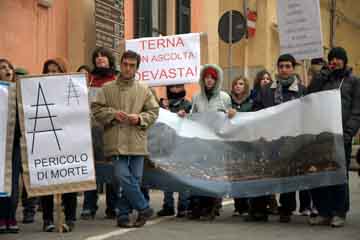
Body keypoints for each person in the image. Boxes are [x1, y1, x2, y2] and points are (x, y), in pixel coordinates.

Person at [92, 50, 159, 228]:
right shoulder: (107, 88)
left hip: (136, 139)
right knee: (122, 176)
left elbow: (154, 112)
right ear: (120, 65)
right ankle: (144, 208)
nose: (128, 68)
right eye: (125, 64)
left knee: (135, 179)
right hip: (116, 139)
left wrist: (140, 119)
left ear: (136, 68)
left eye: (132, 65)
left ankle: (123, 214)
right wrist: (113, 115)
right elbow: (96, 110)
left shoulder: (144, 89)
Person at [249, 54, 306, 223]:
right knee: (265, 173)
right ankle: (260, 208)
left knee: (289, 174)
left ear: (293, 68)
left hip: (291, 139)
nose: (284, 70)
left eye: (288, 66)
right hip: (269, 139)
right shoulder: (266, 90)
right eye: (281, 66)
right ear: (277, 68)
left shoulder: (301, 91)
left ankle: (286, 209)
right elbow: (256, 110)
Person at [308, 47, 360, 227]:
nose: (335, 61)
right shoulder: (323, 79)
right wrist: (322, 75)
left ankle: (339, 212)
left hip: (341, 136)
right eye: (332, 59)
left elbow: (356, 111)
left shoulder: (353, 81)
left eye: (338, 59)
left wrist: (348, 134)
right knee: (320, 174)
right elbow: (310, 95)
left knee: (338, 176)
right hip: (322, 136)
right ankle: (324, 212)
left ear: (345, 61)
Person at [185, 64, 235, 220]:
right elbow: (192, 116)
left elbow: (230, 117)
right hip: (200, 142)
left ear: (217, 80)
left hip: (216, 142)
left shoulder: (224, 97)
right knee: (198, 173)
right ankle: (196, 206)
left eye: (212, 77)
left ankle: (211, 206)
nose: (209, 80)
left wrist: (232, 114)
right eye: (206, 77)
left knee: (213, 174)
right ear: (202, 79)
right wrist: (183, 115)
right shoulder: (196, 97)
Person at [40, 58, 77, 232]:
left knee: (69, 180)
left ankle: (69, 219)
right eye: (49, 71)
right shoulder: (36, 91)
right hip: (47, 141)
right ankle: (47, 219)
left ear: (63, 72)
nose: (51, 74)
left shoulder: (72, 91)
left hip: (68, 141)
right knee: (47, 179)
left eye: (56, 71)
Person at [81, 47, 118, 220]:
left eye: (103, 56)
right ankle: (89, 206)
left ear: (110, 60)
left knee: (112, 170)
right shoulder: (88, 81)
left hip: (111, 130)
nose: (100, 58)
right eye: (97, 56)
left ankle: (113, 206)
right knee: (91, 170)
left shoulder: (117, 81)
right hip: (90, 131)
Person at [157, 84, 192, 218]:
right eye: (173, 87)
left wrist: (184, 115)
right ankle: (168, 205)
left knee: (182, 175)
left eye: (179, 86)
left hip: (182, 144)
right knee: (167, 176)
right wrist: (164, 109)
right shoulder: (162, 104)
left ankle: (183, 205)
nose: (176, 90)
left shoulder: (187, 104)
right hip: (166, 144)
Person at [0, 59, 20, 234]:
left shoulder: (20, 93)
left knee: (13, 183)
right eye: (3, 68)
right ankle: (1, 218)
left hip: (14, 145)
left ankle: (11, 216)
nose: (7, 70)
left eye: (9, 67)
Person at [229, 76, 253, 216]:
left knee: (246, 174)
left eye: (241, 84)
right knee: (235, 175)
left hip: (247, 142)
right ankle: (239, 206)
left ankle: (247, 205)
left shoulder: (251, 102)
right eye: (235, 84)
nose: (238, 86)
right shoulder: (228, 102)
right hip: (233, 143)